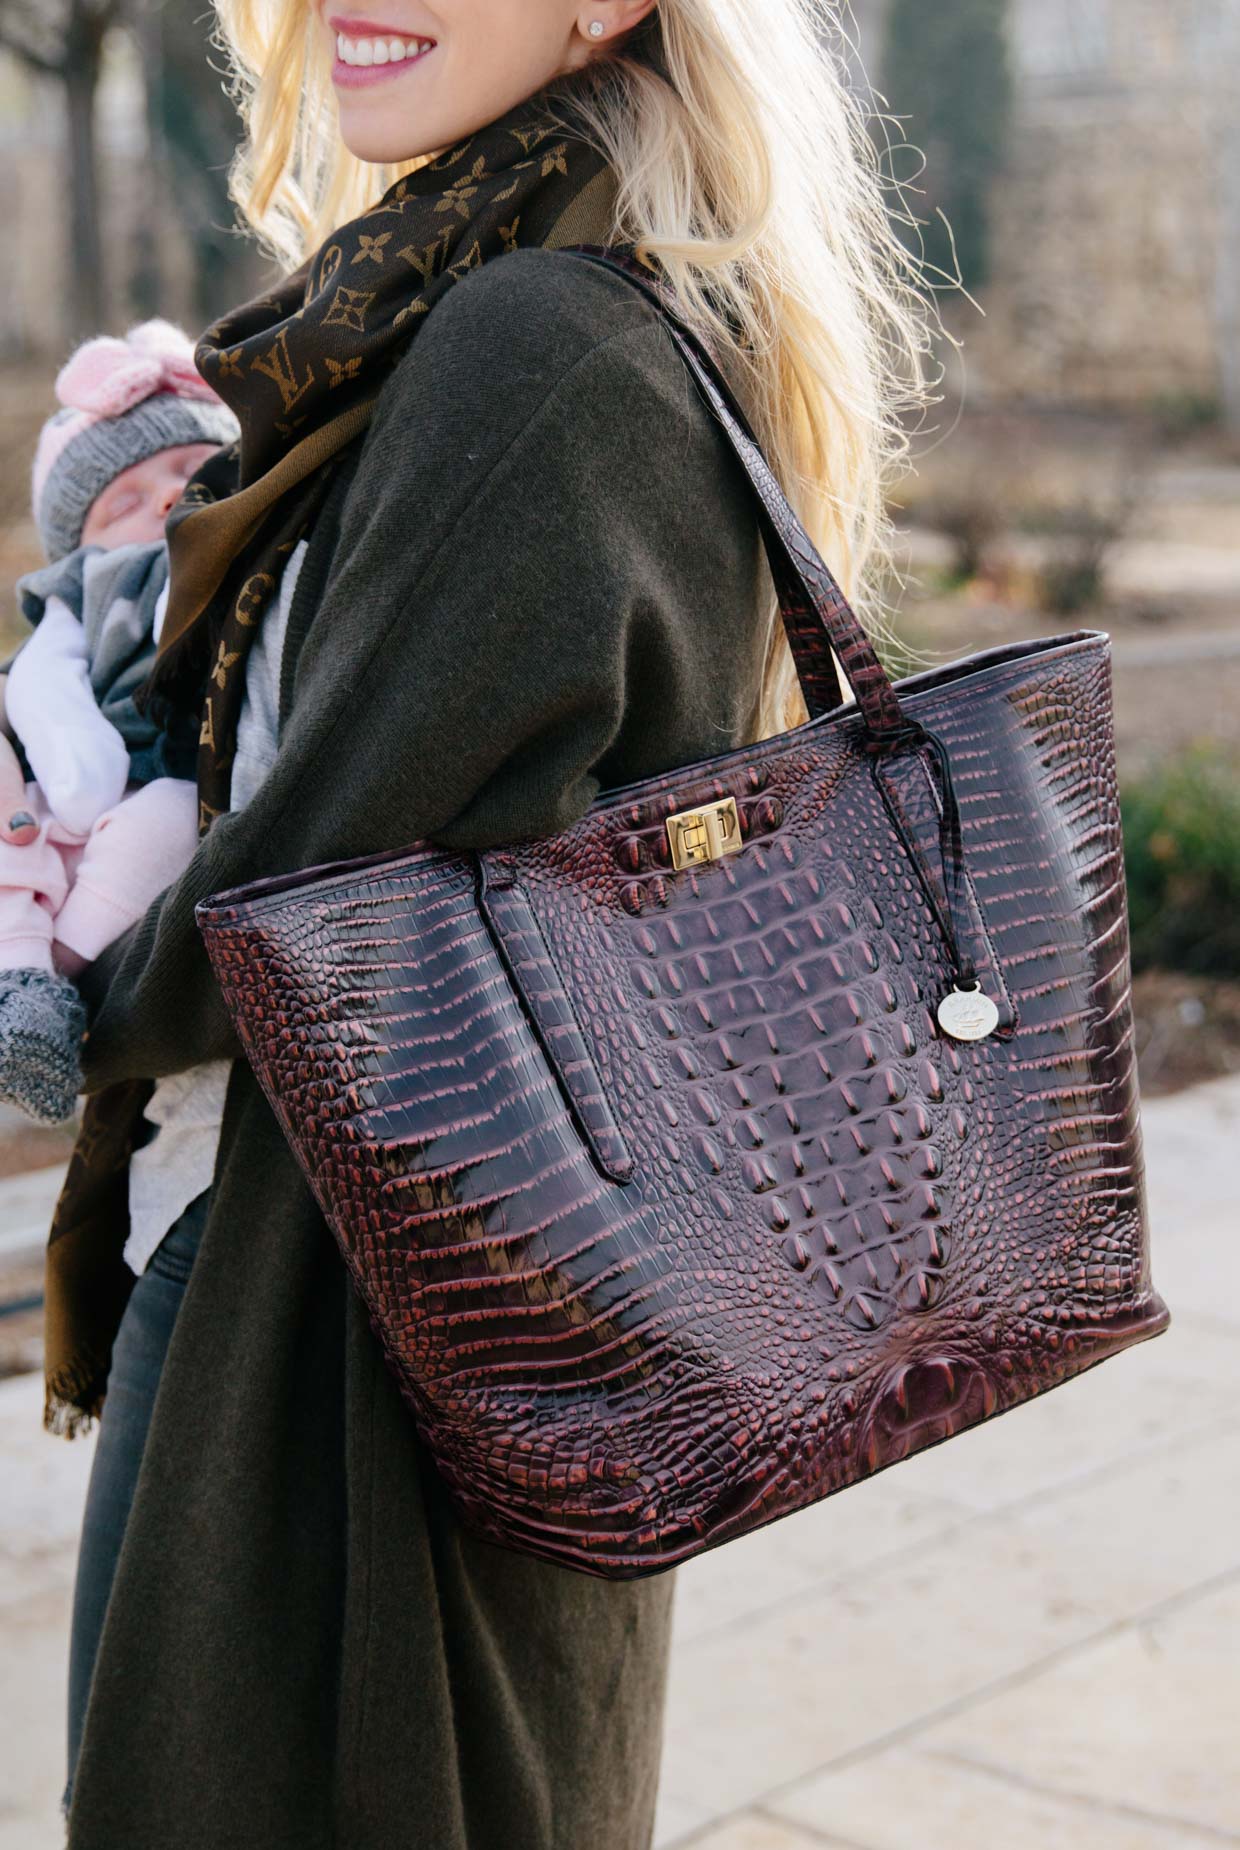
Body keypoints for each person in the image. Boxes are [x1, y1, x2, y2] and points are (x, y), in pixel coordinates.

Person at [49, 2, 933, 1844]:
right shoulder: (575, 296)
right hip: (508, 1309)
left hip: (341, 1333)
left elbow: (310, 867)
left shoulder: (531, 336)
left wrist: (62, 988)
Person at [0, 319, 237, 1126]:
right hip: (64, 790)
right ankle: (18, 974)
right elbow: (41, 679)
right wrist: (67, 772)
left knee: (169, 823)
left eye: (187, 469)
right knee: (12, 839)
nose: (166, 499)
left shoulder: (234, 560)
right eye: (123, 503)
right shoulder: (83, 594)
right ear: (78, 547)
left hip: (164, 788)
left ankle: (57, 972)